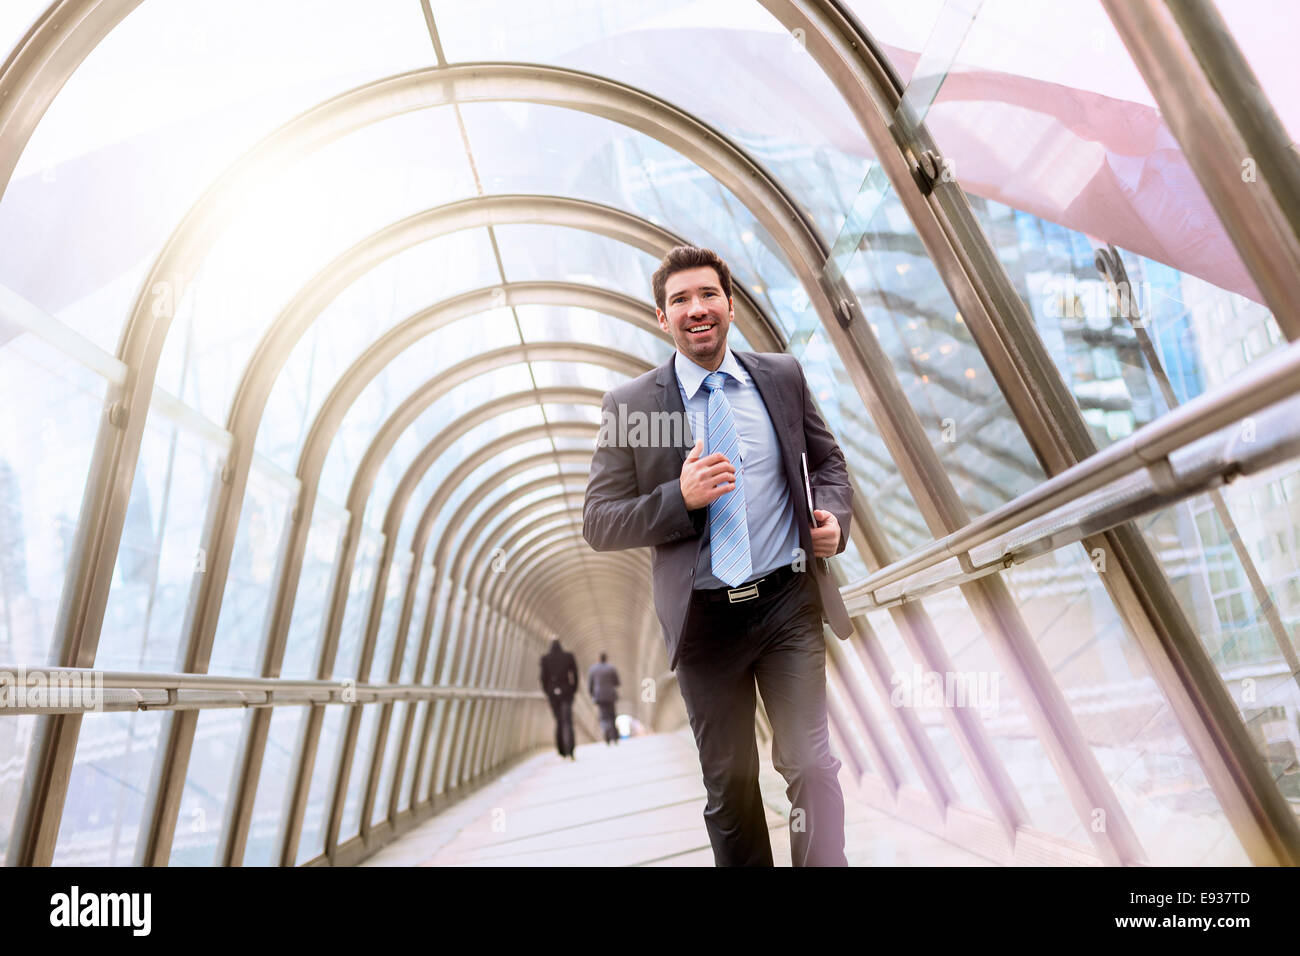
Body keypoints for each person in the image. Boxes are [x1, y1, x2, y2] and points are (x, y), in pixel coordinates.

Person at [583, 245, 854, 867]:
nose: (696, 309)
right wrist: (678, 497)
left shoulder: (781, 377)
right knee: (731, 783)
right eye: (680, 300)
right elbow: (599, 522)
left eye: (707, 295)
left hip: (787, 602)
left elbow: (829, 462)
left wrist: (834, 520)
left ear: (730, 305)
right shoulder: (631, 407)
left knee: (811, 763)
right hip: (705, 620)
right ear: (662, 318)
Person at [539, 638, 578, 759]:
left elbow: (543, 678)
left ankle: (561, 749)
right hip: (567, 692)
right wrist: (573, 690)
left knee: (559, 720)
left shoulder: (545, 659)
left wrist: (548, 691)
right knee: (567, 720)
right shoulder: (568, 656)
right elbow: (575, 675)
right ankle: (570, 748)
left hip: (552, 694)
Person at [587, 653, 621, 744]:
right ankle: (614, 736)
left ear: (598, 659)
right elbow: (617, 682)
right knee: (612, 715)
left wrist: (592, 694)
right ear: (606, 659)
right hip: (610, 695)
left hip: (599, 696)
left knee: (603, 715)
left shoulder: (593, 669)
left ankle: (606, 730)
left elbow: (590, 685)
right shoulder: (611, 668)